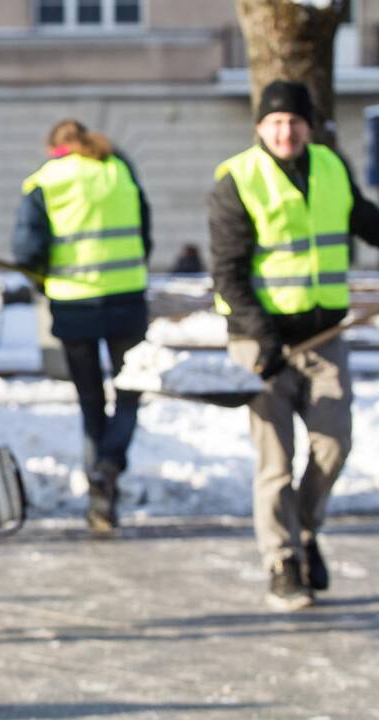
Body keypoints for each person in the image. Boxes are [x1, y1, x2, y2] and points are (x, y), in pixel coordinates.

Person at [208, 80, 379, 611]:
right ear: (260, 126)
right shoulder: (236, 179)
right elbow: (229, 273)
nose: (286, 131)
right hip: (261, 343)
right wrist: (265, 339)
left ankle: (303, 528)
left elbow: (366, 221)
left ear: (309, 125)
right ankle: (282, 562)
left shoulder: (330, 166)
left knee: (334, 444)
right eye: (276, 122)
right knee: (275, 460)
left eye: (295, 121)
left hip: (324, 336)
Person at [12, 119, 152, 531]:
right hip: (127, 296)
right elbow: (145, 231)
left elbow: (27, 248)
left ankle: (99, 495)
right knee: (129, 392)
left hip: (74, 303)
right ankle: (109, 466)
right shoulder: (119, 168)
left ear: (55, 145)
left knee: (91, 401)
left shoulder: (45, 180)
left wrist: (42, 278)